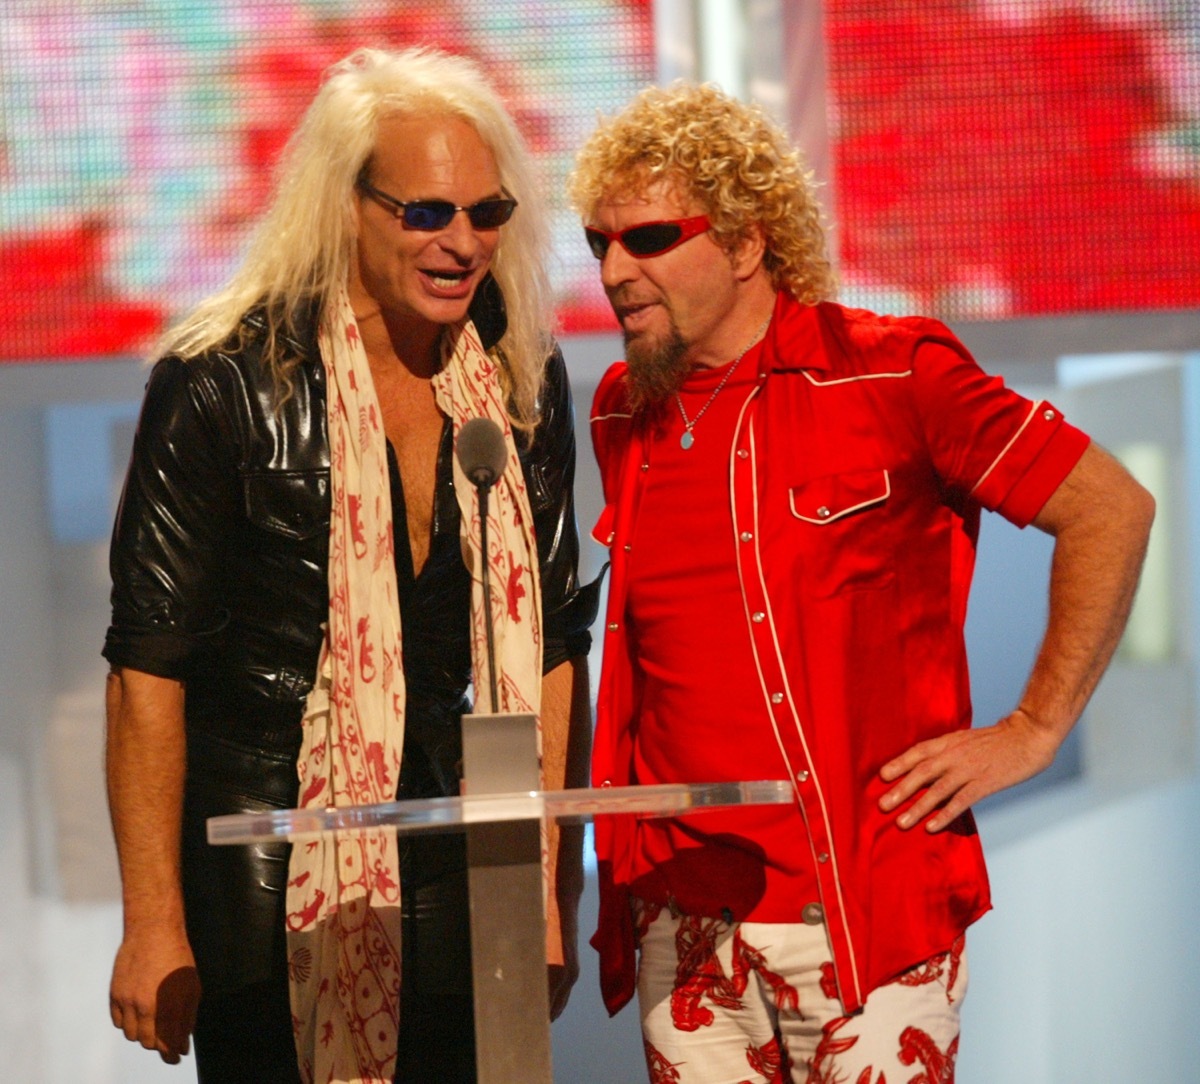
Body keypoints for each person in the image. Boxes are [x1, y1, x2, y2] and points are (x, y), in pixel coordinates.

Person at [569, 82, 1154, 1082]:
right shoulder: (626, 409)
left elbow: (1111, 508)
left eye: (651, 237)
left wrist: (1034, 730)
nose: (616, 270)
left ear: (749, 242)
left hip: (865, 919)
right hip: (684, 925)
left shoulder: (897, 373)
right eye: (600, 242)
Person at [104, 46, 596, 1084]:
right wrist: (153, 923)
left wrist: (554, 887)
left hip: (468, 865)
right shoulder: (219, 380)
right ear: (346, 205)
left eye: (488, 213)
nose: (464, 243)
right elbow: (148, 672)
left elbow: (552, 645)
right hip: (265, 867)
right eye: (427, 213)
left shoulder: (518, 378)